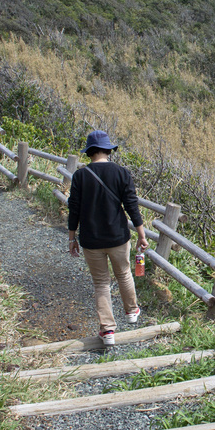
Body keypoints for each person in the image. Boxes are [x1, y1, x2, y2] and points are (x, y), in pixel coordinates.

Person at [67, 130, 149, 346]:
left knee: (101, 283)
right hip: (118, 237)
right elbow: (132, 205)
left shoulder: (80, 176)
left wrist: (71, 237)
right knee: (123, 273)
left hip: (90, 239)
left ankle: (107, 331)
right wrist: (141, 235)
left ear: (89, 152)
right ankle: (132, 312)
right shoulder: (121, 173)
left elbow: (73, 209)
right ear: (108, 150)